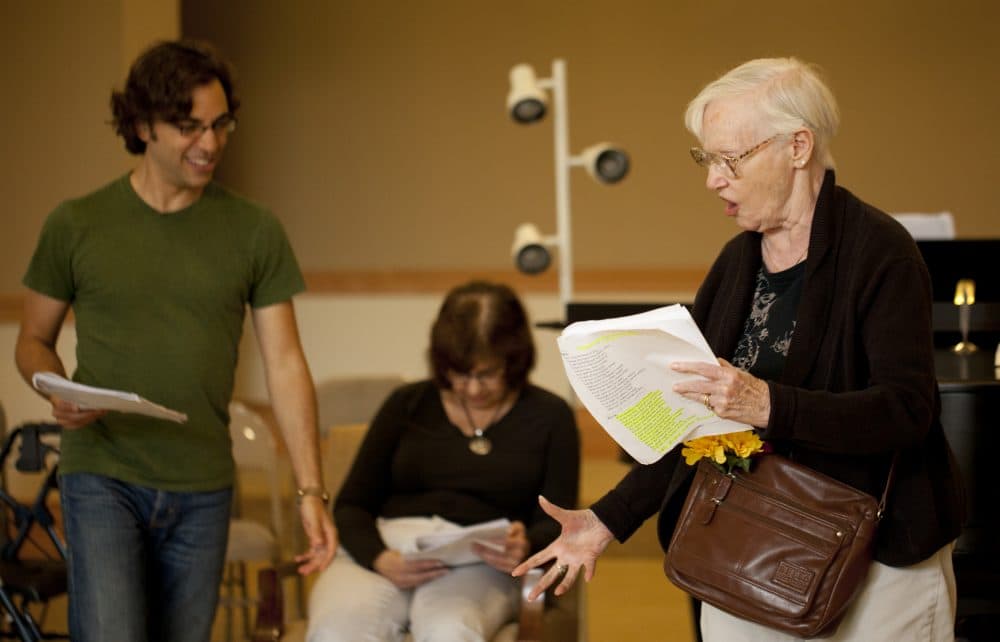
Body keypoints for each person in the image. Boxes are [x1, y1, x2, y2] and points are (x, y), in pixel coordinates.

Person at [513, 57, 964, 641]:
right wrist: (606, 520)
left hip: (880, 556)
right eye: (706, 159)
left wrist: (768, 405)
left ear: (798, 146)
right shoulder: (735, 266)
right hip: (749, 547)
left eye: (730, 158)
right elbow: (693, 420)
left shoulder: (882, 254)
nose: (713, 179)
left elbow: (906, 411)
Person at [15, 40, 337, 641]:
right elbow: (32, 340)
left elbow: (286, 364)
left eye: (220, 125)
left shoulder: (253, 230)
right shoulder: (76, 224)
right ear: (142, 126)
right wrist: (52, 385)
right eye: (188, 128)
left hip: (202, 485)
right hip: (103, 473)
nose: (210, 144)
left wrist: (310, 490)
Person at [307, 280, 580, 642]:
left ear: (514, 360)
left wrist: (526, 544)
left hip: (481, 560)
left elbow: (561, 521)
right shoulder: (407, 404)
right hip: (391, 547)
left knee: (450, 630)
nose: (472, 388)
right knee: (338, 629)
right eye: (459, 373)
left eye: (487, 373)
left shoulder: (550, 416)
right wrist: (378, 557)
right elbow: (353, 505)